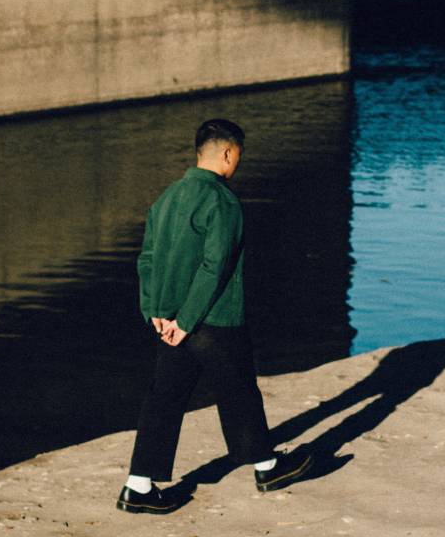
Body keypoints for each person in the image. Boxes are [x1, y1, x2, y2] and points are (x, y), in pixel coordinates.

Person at [117, 118, 311, 514]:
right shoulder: (222, 201)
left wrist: (154, 310)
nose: (238, 161)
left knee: (163, 398)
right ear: (226, 153)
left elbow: (148, 259)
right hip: (215, 319)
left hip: (171, 321)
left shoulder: (168, 197)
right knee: (239, 391)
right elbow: (215, 266)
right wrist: (188, 320)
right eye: (238, 154)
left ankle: (138, 487)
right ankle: (268, 468)